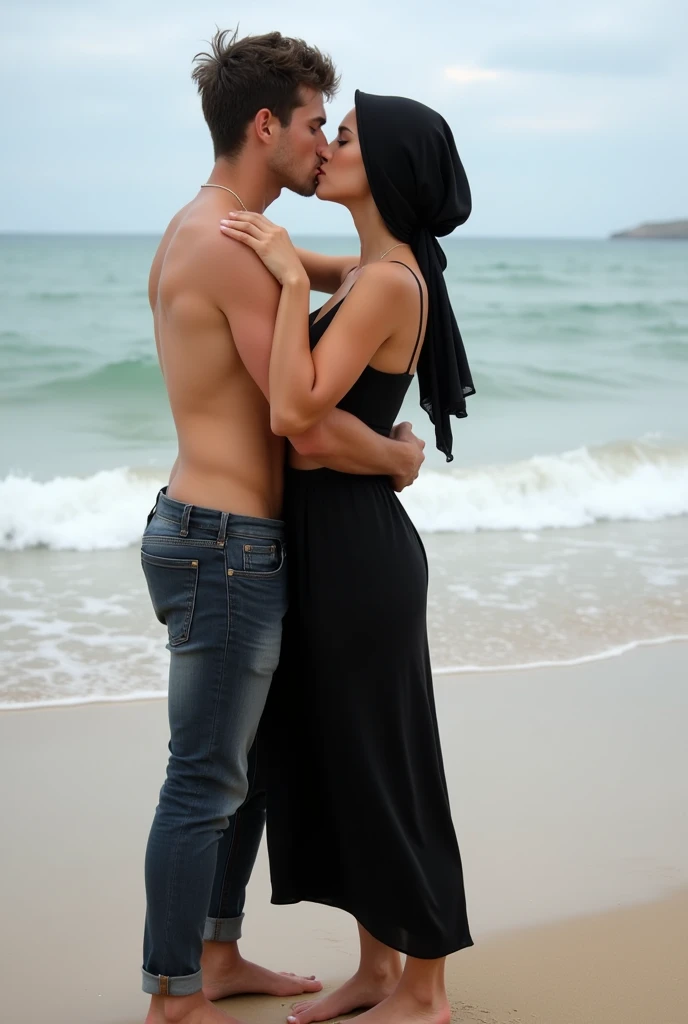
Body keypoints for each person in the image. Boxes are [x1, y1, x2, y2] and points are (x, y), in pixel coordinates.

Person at [141, 32, 426, 1024]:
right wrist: (395, 457)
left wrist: (387, 258)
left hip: (207, 530)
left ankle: (216, 955)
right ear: (264, 125)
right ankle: (176, 996)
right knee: (205, 777)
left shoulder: (215, 224)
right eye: (312, 124)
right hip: (225, 541)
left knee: (248, 767)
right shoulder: (234, 247)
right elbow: (295, 414)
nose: (319, 144)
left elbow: (356, 266)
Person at [219, 89, 475, 1024]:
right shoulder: (373, 269)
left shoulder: (386, 284)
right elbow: (327, 272)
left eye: (348, 135)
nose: (327, 145)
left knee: (391, 766)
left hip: (361, 558)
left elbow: (297, 419)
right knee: (347, 760)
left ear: (391, 169)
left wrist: (288, 284)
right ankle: (375, 971)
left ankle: (428, 988)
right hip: (336, 546)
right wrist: (252, 242)